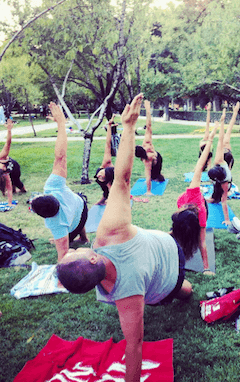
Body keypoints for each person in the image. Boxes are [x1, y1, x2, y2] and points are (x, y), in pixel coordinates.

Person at [56, 93, 200, 382]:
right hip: (161, 255)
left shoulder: (127, 294)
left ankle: (185, 277)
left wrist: (129, 128)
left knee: (186, 293)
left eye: (68, 251)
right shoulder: (110, 237)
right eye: (75, 251)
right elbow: (121, 180)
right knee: (175, 292)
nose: (72, 248)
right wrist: (129, 126)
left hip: (167, 253)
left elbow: (134, 346)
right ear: (93, 256)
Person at [30, 102, 88, 262]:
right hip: (82, 207)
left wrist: (60, 280)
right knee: (77, 206)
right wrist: (61, 124)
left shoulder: (56, 223)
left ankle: (81, 240)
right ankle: (84, 238)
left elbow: (63, 256)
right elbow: (60, 156)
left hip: (74, 223)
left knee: (64, 240)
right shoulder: (52, 186)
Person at [178, 123, 218, 276]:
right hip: (194, 207)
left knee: (196, 238)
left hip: (199, 208)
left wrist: (206, 268)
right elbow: (199, 165)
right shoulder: (191, 196)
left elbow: (203, 243)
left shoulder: (200, 215)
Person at [0, 118, 27, 204]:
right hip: (7, 171)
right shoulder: (3, 173)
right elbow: (6, 186)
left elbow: (8, 143)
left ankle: (22, 189)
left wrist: (9, 130)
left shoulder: (1, 158)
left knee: (17, 183)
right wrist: (9, 203)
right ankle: (12, 191)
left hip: (15, 168)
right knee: (10, 187)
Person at [207, 110, 233, 226]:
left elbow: (224, 202)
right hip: (220, 174)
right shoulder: (219, 160)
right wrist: (221, 122)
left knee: (220, 198)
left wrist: (227, 219)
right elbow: (220, 139)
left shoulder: (225, 184)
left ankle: (214, 197)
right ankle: (213, 197)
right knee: (213, 198)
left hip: (225, 181)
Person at [135, 100, 164, 196]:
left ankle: (157, 177)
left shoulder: (146, 147)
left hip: (157, 159)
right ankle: (156, 177)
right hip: (154, 157)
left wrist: (147, 109)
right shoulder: (146, 154)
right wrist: (147, 108)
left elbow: (148, 126)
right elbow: (149, 126)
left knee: (155, 177)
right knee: (151, 176)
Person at [94, 115, 117, 205]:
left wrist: (110, 200)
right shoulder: (106, 162)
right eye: (101, 175)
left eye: (102, 177)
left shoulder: (114, 177)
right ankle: (104, 199)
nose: (99, 176)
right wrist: (109, 126)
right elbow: (108, 143)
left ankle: (105, 199)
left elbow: (111, 189)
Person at [199, 102, 214, 171]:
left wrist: (208, 110)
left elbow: (207, 124)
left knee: (207, 127)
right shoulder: (209, 154)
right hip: (206, 146)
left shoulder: (205, 141)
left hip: (205, 146)